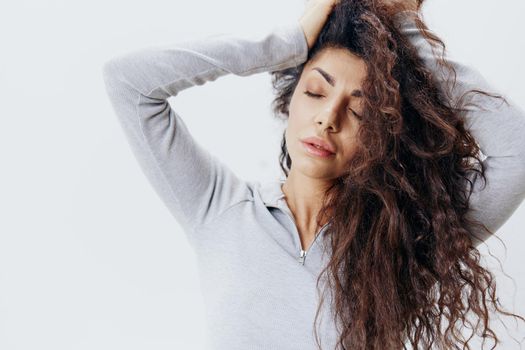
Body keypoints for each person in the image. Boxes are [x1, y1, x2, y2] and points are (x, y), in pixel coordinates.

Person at [102, 0, 525, 348]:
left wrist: (401, 27)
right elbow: (129, 82)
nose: (328, 118)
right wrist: (289, 42)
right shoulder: (218, 208)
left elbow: (518, 154)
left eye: (360, 110)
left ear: (383, 134)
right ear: (290, 99)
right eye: (316, 92)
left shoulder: (403, 238)